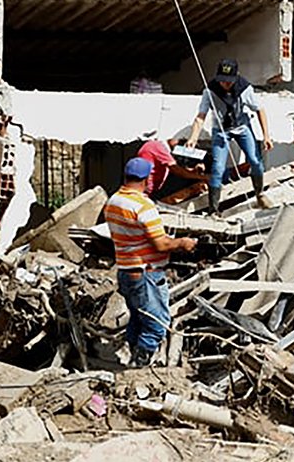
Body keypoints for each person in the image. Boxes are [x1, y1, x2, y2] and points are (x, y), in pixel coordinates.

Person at [104, 157, 198, 367]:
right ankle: (139, 364)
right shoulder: (143, 206)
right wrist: (183, 242)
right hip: (146, 272)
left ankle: (128, 357)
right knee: (157, 324)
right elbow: (162, 245)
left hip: (126, 271)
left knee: (137, 319)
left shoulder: (113, 201)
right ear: (147, 179)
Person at [185, 58, 273, 215]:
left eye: (229, 81)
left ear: (236, 76)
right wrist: (193, 138)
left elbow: (260, 110)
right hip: (220, 131)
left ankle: (259, 193)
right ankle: (213, 210)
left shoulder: (245, 88)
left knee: (254, 160)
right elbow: (201, 116)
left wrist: (266, 136)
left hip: (242, 127)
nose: (225, 84)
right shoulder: (210, 90)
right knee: (218, 168)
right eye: (222, 81)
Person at [137, 138, 207, 198]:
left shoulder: (155, 145)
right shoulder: (159, 147)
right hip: (149, 189)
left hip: (149, 187)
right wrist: (202, 177)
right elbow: (177, 170)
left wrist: (193, 171)